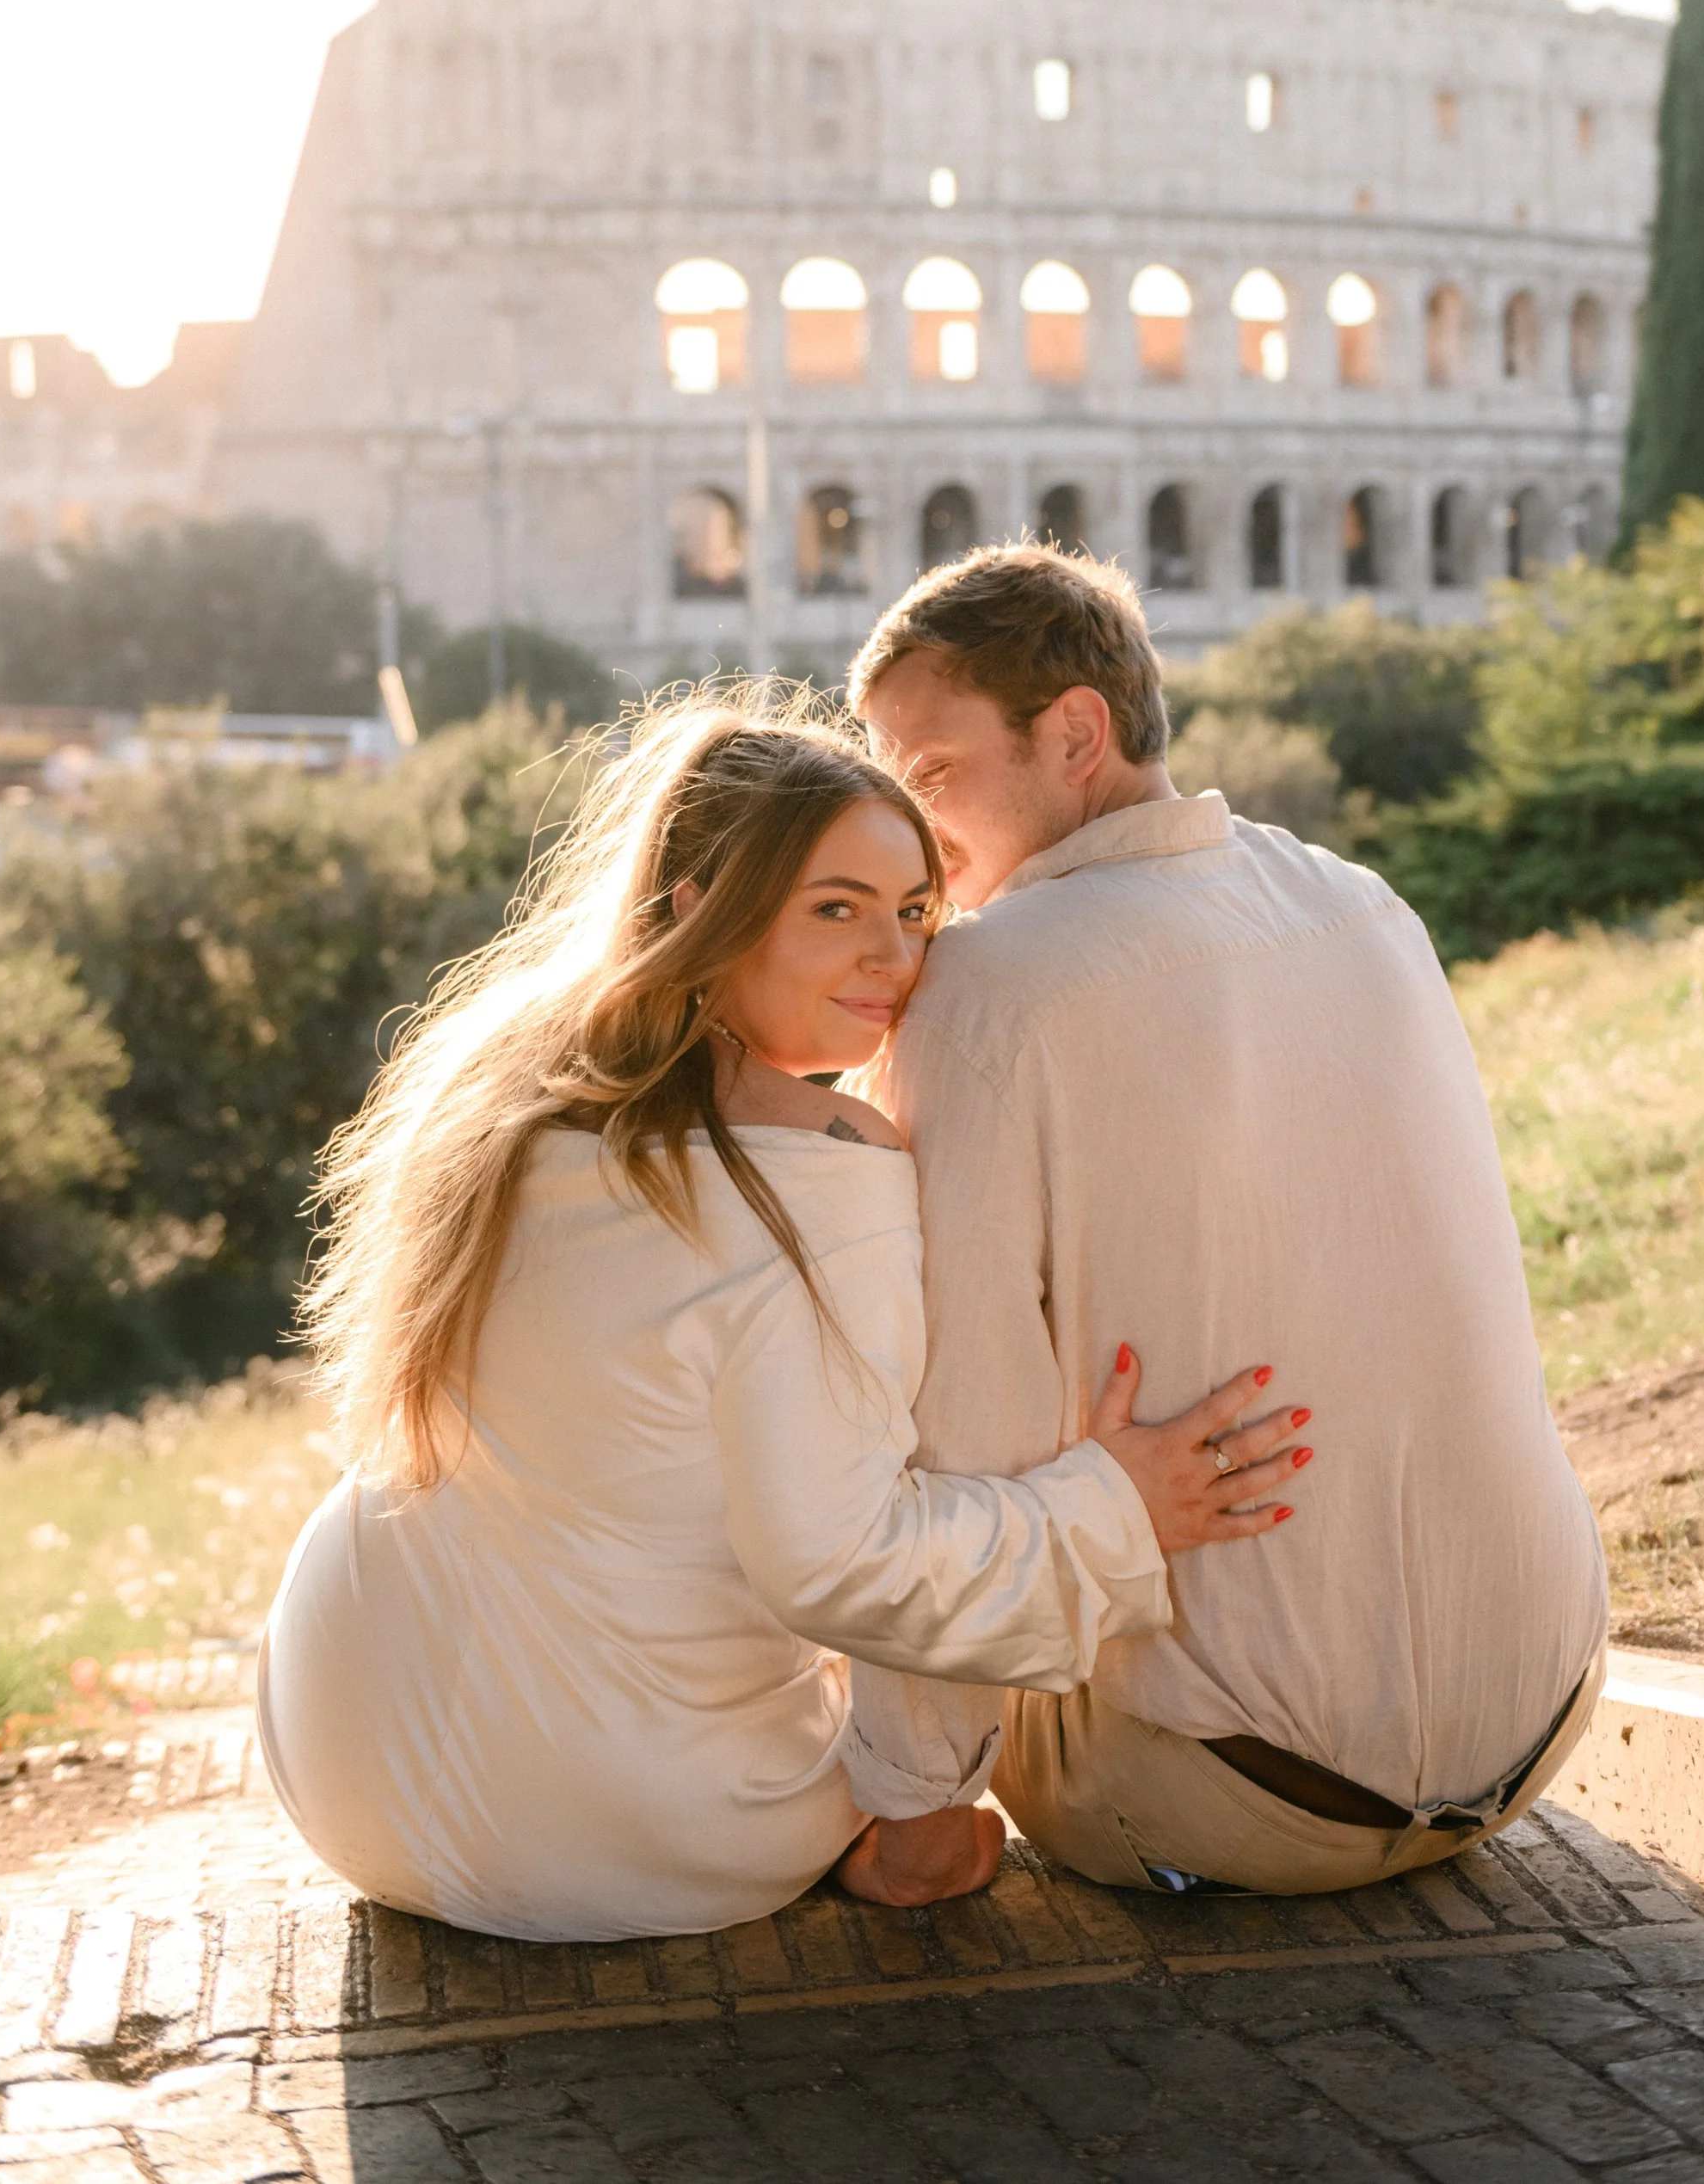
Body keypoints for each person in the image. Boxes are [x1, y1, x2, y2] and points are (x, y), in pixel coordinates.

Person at [257, 704, 1307, 1941]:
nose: (896, 958)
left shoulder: (502, 1090)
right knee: (931, 1820)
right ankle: (875, 1849)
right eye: (836, 908)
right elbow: (843, 1564)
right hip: (604, 1822)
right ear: (706, 909)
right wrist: (1116, 1507)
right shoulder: (821, 1167)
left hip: (340, 1752)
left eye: (916, 911)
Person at [837, 546, 1608, 1910]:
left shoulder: (982, 989)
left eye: (931, 772)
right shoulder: (1366, 904)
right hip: (1536, 1720)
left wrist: (913, 1801)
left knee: (835, 1443)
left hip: (1231, 1797)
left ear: (1074, 733)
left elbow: (952, 1429)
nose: (905, 822)